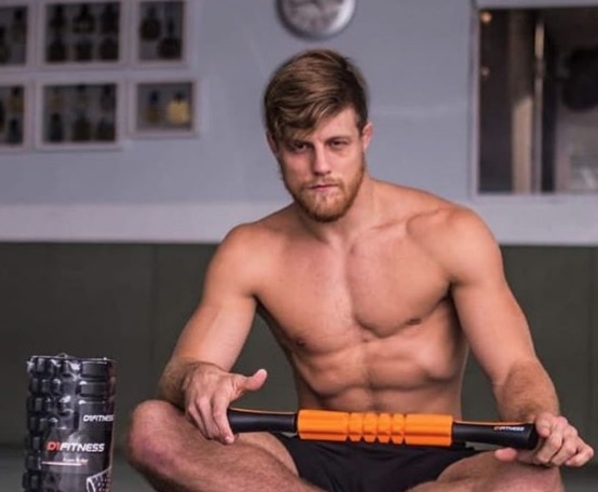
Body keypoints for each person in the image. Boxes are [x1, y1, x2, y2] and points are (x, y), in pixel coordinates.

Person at [124, 48, 594, 492]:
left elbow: (514, 368)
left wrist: (537, 418)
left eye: (337, 144)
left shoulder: (450, 233)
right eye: (300, 147)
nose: (321, 166)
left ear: (365, 137)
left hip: (435, 459)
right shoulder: (250, 251)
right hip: (311, 457)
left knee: (533, 480)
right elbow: (185, 367)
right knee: (152, 428)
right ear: (274, 146)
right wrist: (197, 379)